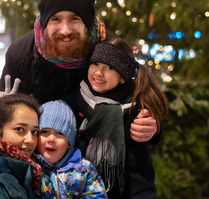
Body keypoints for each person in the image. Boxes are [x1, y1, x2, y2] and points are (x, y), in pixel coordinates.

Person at [0, 0, 157, 143]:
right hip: (41, 152)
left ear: (87, 25)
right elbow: (7, 122)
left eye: (75, 19)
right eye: (56, 19)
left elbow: (138, 105)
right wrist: (3, 113)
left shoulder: (111, 49)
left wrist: (149, 128)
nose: (65, 30)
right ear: (45, 23)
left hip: (96, 154)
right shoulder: (20, 56)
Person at [67, 38, 169, 199]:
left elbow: (140, 174)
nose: (99, 72)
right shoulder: (74, 100)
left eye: (109, 67)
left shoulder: (131, 114)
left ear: (123, 77)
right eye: (95, 64)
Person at [34, 100, 107, 199]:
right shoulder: (31, 167)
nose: (51, 139)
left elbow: (97, 195)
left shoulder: (84, 168)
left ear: (69, 142)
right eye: (44, 131)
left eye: (60, 133)